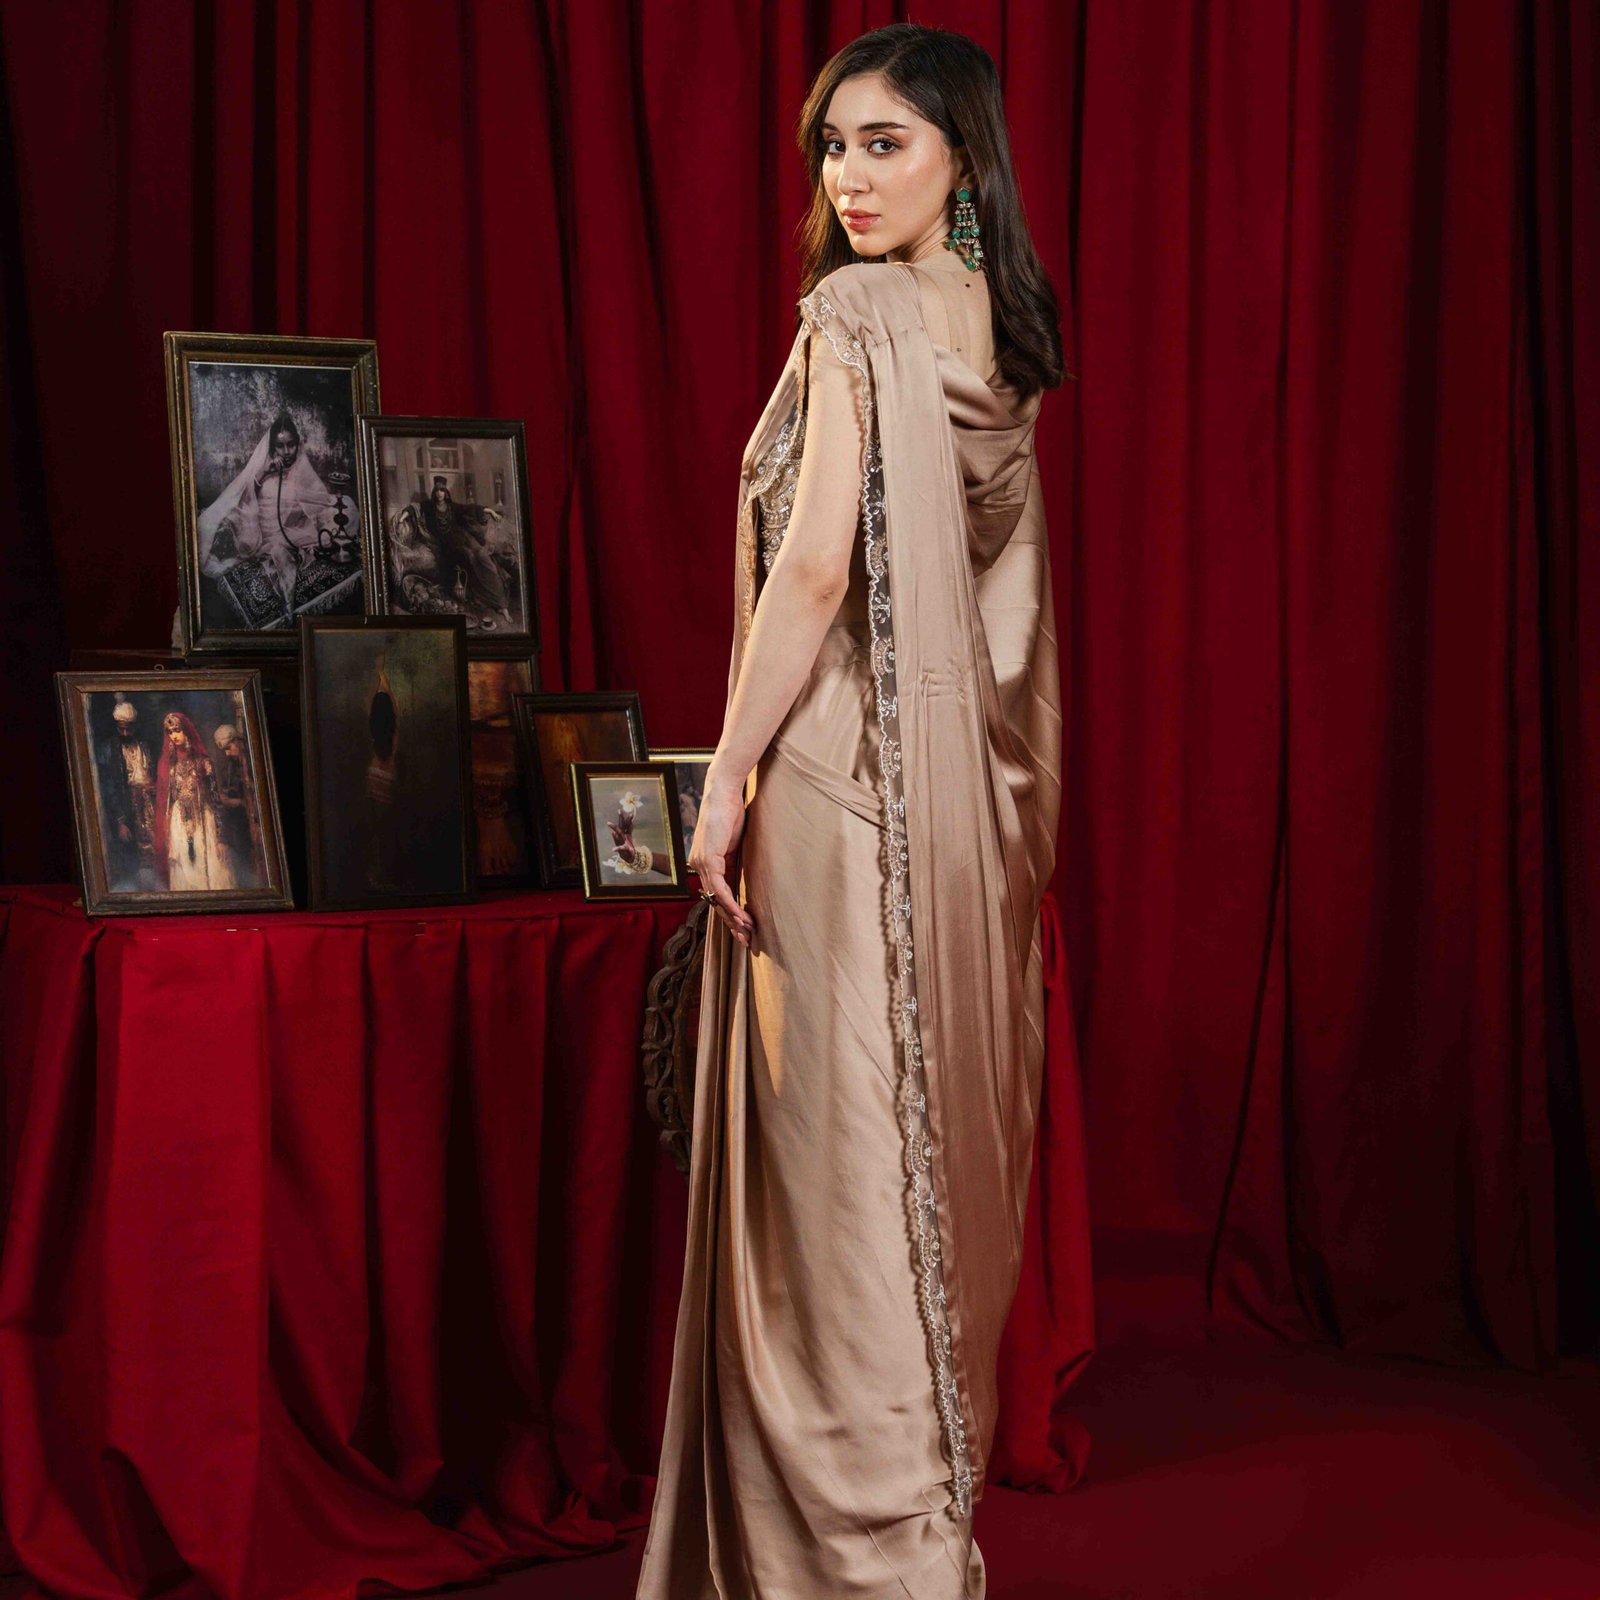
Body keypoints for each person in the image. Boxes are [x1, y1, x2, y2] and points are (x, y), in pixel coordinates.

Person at [636, 22, 1067, 1600]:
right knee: (904, 1156)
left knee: (823, 1182)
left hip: (830, 782)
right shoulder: (995, 323)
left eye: (888, 144)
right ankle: (907, 1525)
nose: (850, 177)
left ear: (965, 158)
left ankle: (852, 1559)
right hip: (953, 815)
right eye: (834, 144)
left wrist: (725, 778)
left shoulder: (859, 311)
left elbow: (817, 569)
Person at [154, 710, 234, 892]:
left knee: (209, 871)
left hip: (204, 822)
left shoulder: (204, 762)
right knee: (184, 872)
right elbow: (167, 802)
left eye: (177, 730)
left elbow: (215, 800)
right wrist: (167, 834)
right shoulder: (170, 766)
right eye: (170, 732)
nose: (174, 736)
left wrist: (221, 838)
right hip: (179, 824)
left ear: (186, 731)